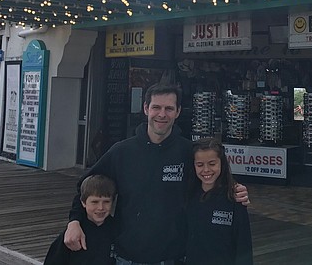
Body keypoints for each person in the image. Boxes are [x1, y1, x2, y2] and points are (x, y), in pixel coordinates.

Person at [64, 82, 249, 265]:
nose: (162, 114)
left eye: (169, 108)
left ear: (177, 112)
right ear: (146, 108)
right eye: (156, 107)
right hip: (126, 258)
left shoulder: (188, 152)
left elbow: (211, 178)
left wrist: (234, 189)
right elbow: (85, 186)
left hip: (174, 258)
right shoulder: (122, 152)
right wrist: (75, 221)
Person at [186, 138, 253, 265]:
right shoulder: (189, 195)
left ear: (222, 163)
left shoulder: (235, 198)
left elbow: (243, 243)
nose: (206, 170)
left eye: (212, 164)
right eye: (200, 165)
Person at [44, 174, 117, 265]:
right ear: (83, 202)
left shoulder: (117, 230)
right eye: (95, 202)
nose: (100, 207)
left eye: (106, 202)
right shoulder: (73, 234)